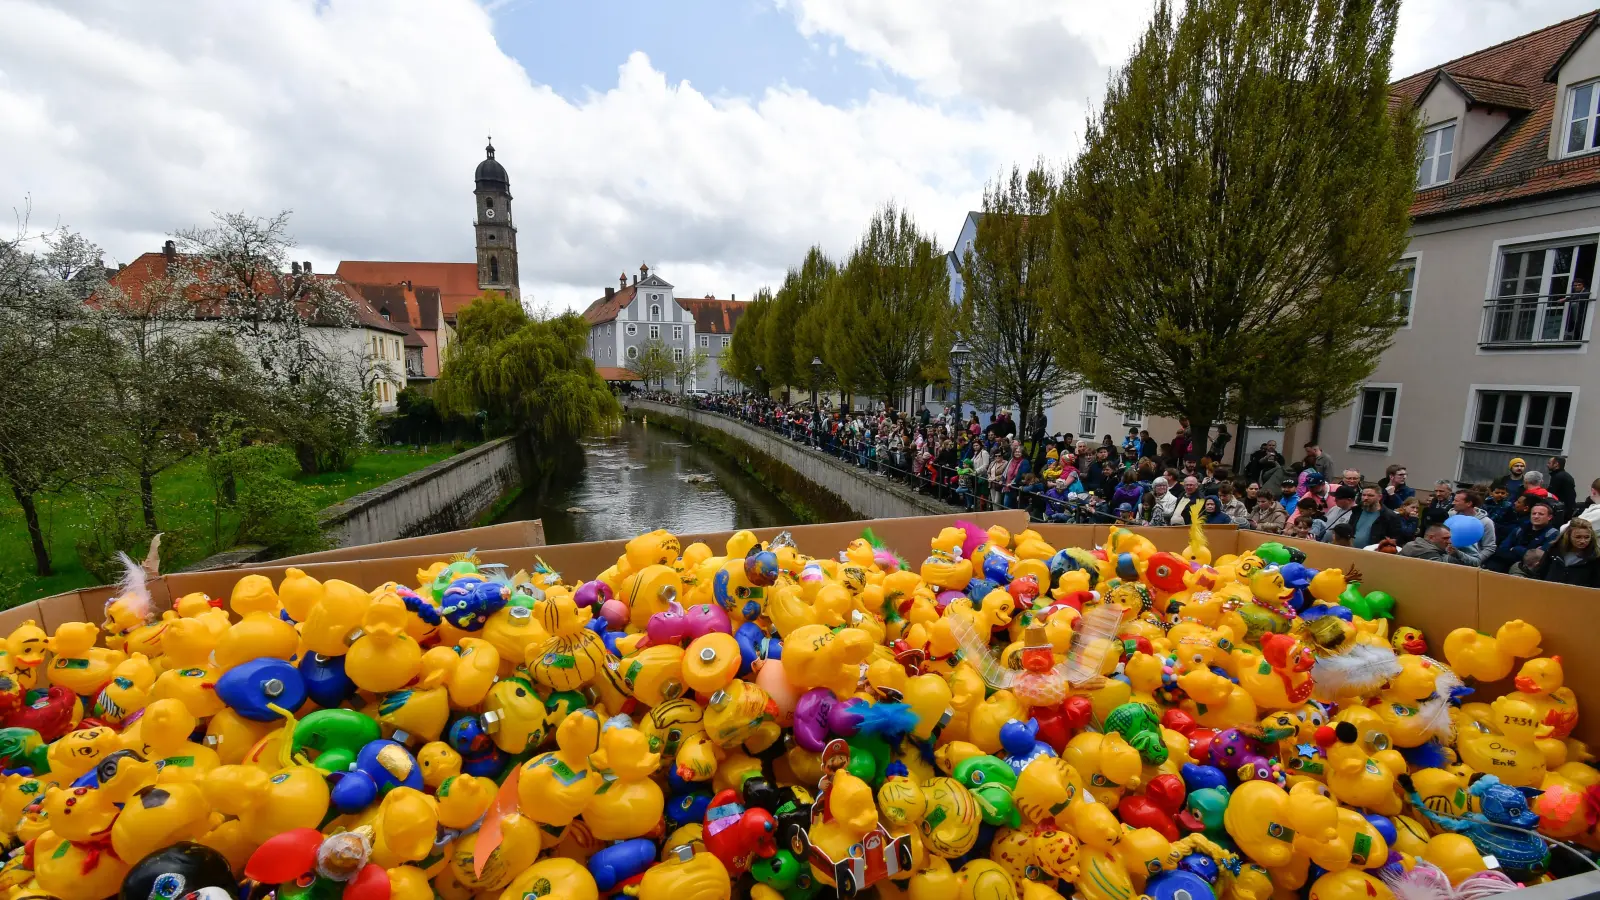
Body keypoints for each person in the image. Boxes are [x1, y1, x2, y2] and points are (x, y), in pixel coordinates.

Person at [1486, 501, 1560, 573]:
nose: (1536, 516)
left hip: (1529, 570)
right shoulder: (1520, 529)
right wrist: (1527, 551)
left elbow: (1537, 557)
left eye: (1541, 514)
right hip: (1506, 562)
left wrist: (1515, 548)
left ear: (1549, 517)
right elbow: (1503, 548)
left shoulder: (1553, 534)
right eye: (1534, 513)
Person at [1536, 517, 1600, 587]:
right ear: (1568, 536)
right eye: (1578, 537)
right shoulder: (1554, 550)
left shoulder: (1595, 557)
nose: (1583, 541)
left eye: (1587, 537)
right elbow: (1540, 573)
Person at [1452, 489, 1498, 560]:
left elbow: (1489, 547)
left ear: (1469, 503)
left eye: (1456, 501)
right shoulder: (1451, 516)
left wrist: (1474, 560)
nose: (1453, 503)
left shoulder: (1486, 522)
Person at [1400, 523, 1474, 566]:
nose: (1450, 542)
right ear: (1431, 538)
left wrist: (1456, 553)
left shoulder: (1410, 545)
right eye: (1445, 538)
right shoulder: (1430, 555)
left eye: (1450, 538)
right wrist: (1457, 554)